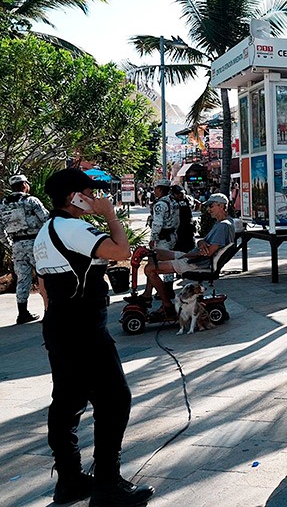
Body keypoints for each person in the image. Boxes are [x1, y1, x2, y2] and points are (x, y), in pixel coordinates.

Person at [34, 168, 154, 506]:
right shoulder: (73, 227)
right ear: (74, 197)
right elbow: (119, 251)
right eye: (90, 191)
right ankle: (107, 484)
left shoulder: (47, 230)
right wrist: (110, 215)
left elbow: (43, 285)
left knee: (67, 403)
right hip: (83, 327)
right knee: (115, 399)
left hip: (60, 323)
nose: (97, 197)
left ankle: (69, 480)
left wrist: (54, 325)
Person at [142, 193, 235, 320]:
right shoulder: (223, 223)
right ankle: (147, 296)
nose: (208, 209)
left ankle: (167, 304)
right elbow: (205, 244)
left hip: (196, 263)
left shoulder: (223, 226)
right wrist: (200, 242)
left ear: (221, 206)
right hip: (193, 258)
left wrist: (187, 255)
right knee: (153, 254)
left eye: (211, 206)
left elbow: (208, 252)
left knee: (149, 269)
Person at [0, 174, 48, 323]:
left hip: (17, 245)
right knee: (44, 277)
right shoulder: (31, 201)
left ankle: (22, 313)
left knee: (22, 279)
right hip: (36, 244)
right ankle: (49, 312)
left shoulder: (3, 204)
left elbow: (0, 230)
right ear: (25, 185)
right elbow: (46, 218)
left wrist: (10, 243)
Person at [145, 179, 179, 309]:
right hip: (172, 236)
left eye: (155, 189)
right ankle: (162, 290)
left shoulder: (160, 204)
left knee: (157, 264)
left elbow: (157, 223)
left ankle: (164, 292)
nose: (154, 191)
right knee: (168, 262)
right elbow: (177, 220)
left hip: (162, 238)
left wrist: (153, 237)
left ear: (159, 189)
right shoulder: (173, 202)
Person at [171, 186, 196, 253]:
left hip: (186, 229)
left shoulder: (187, 200)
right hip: (180, 229)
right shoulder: (173, 201)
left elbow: (197, 204)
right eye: (178, 193)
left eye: (182, 193)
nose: (180, 195)